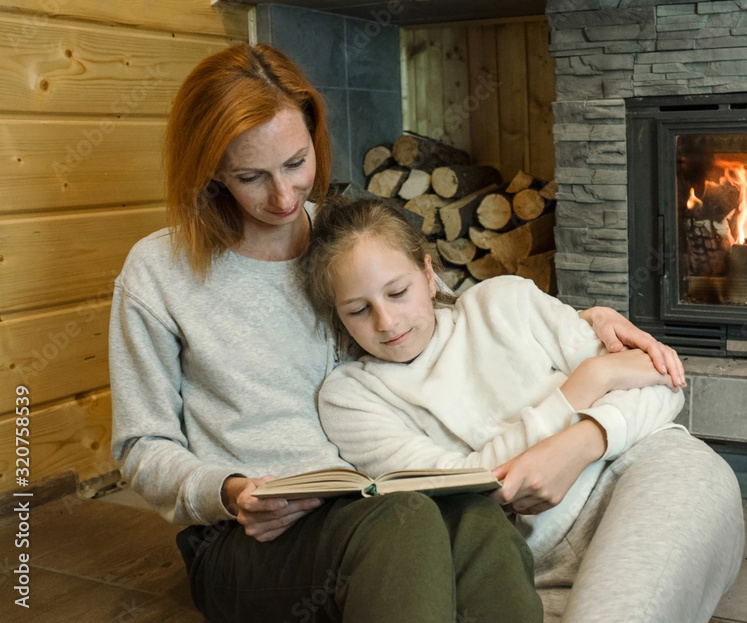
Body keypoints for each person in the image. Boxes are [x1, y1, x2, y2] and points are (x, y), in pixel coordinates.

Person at [108, 43, 685, 623]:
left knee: (478, 518)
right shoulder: (158, 274)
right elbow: (141, 447)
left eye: (296, 163)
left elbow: (436, 311)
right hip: (250, 536)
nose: (284, 197)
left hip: (376, 492)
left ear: (315, 138)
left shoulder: (336, 233)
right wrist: (229, 491)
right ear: (209, 169)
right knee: (406, 520)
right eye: (250, 177)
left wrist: (586, 323)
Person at [302, 197, 746, 623]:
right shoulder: (351, 399)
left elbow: (662, 382)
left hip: (649, 479)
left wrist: (583, 442)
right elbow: (464, 488)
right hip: (533, 568)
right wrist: (587, 384)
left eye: (398, 292)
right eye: (359, 310)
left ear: (427, 270)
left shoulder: (504, 302)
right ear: (337, 315)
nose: (387, 322)